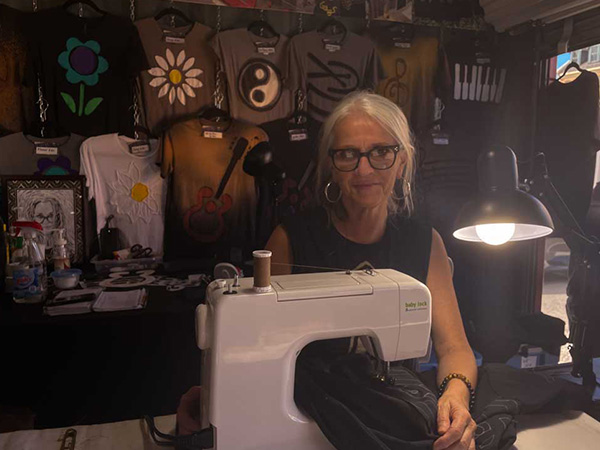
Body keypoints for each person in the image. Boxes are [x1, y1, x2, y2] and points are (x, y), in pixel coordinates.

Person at [178, 91, 477, 450]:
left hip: (394, 417)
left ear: (402, 162)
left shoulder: (425, 243)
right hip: (312, 420)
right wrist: (216, 392)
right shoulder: (290, 239)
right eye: (348, 154)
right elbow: (255, 348)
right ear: (331, 164)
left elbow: (455, 347)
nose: (364, 168)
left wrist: (456, 397)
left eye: (381, 151)